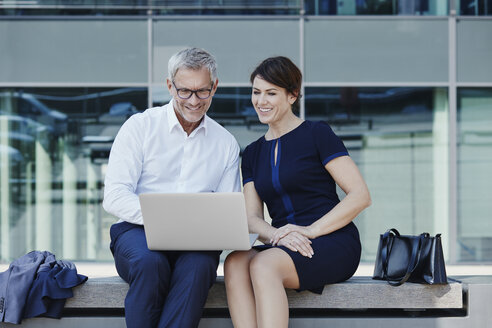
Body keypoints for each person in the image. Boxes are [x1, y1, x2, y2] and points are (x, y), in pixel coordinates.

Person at [224, 56, 371, 328]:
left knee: (262, 265)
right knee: (235, 261)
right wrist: (278, 235)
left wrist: (309, 231)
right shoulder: (253, 153)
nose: (261, 101)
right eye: (256, 92)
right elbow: (251, 217)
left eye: (271, 93)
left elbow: (360, 195)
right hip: (283, 244)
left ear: (292, 96)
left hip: (331, 239)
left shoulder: (318, 134)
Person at [103, 47, 240, 328]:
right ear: (169, 86)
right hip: (136, 232)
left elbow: (229, 208)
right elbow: (115, 196)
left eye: (202, 91)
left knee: (200, 267)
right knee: (151, 264)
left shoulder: (225, 142)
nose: (193, 101)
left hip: (198, 239)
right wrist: (165, 220)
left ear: (214, 87)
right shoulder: (139, 127)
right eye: (184, 91)